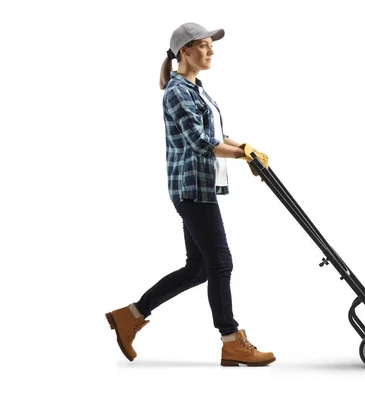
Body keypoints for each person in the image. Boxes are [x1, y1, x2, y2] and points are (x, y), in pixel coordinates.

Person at [105, 22, 274, 367]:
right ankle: (231, 340)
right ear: (185, 51)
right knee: (221, 263)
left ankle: (130, 315)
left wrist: (244, 147)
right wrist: (242, 154)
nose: (211, 51)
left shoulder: (197, 89)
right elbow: (200, 143)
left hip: (200, 188)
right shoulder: (178, 91)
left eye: (212, 46)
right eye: (204, 46)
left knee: (199, 269)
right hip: (191, 188)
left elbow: (216, 135)